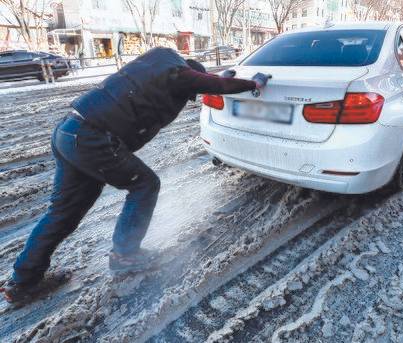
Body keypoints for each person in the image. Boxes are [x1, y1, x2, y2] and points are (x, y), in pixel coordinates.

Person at [1, 47, 269, 304]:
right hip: (93, 138)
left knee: (61, 212)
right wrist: (253, 84)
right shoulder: (177, 74)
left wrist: (212, 79)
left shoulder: (157, 68)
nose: (191, 93)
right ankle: (125, 256)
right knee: (145, 185)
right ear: (189, 74)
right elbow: (214, 86)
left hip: (68, 131)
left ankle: (23, 282)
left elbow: (206, 82)